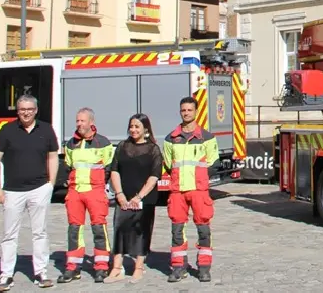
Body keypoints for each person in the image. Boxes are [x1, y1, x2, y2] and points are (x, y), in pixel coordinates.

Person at [0, 94, 59, 291]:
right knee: (9, 234)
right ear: (17, 111)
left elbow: (53, 156)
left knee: (40, 233)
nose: (26, 112)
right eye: (22, 109)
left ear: (36, 110)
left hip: (39, 189)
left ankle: (41, 272)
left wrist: (51, 184)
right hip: (13, 191)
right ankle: (6, 275)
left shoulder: (45, 129)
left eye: (29, 109)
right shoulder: (7, 130)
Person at [162, 96, 219, 283]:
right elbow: (170, 164)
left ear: (196, 112)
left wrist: (200, 178)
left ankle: (204, 268)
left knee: (203, 230)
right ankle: (178, 267)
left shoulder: (207, 138)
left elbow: (213, 162)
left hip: (198, 190)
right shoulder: (170, 139)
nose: (186, 113)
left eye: (189, 110)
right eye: (183, 110)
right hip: (178, 190)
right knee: (177, 231)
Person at [57, 108, 114, 284]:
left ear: (91, 122)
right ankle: (73, 267)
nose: (79, 124)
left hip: (95, 191)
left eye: (82, 121)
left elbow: (109, 167)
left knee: (99, 229)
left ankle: (102, 267)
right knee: (74, 230)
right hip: (75, 192)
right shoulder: (71, 144)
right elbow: (67, 166)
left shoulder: (103, 143)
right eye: (77, 121)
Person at [104, 113, 162, 284]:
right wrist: (119, 194)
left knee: (141, 231)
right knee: (120, 228)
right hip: (123, 195)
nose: (133, 129)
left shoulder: (153, 149)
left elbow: (154, 175)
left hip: (144, 198)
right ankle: (116, 268)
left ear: (145, 129)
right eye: (131, 126)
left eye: (137, 126)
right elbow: (114, 170)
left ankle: (138, 268)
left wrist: (139, 196)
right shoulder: (122, 146)